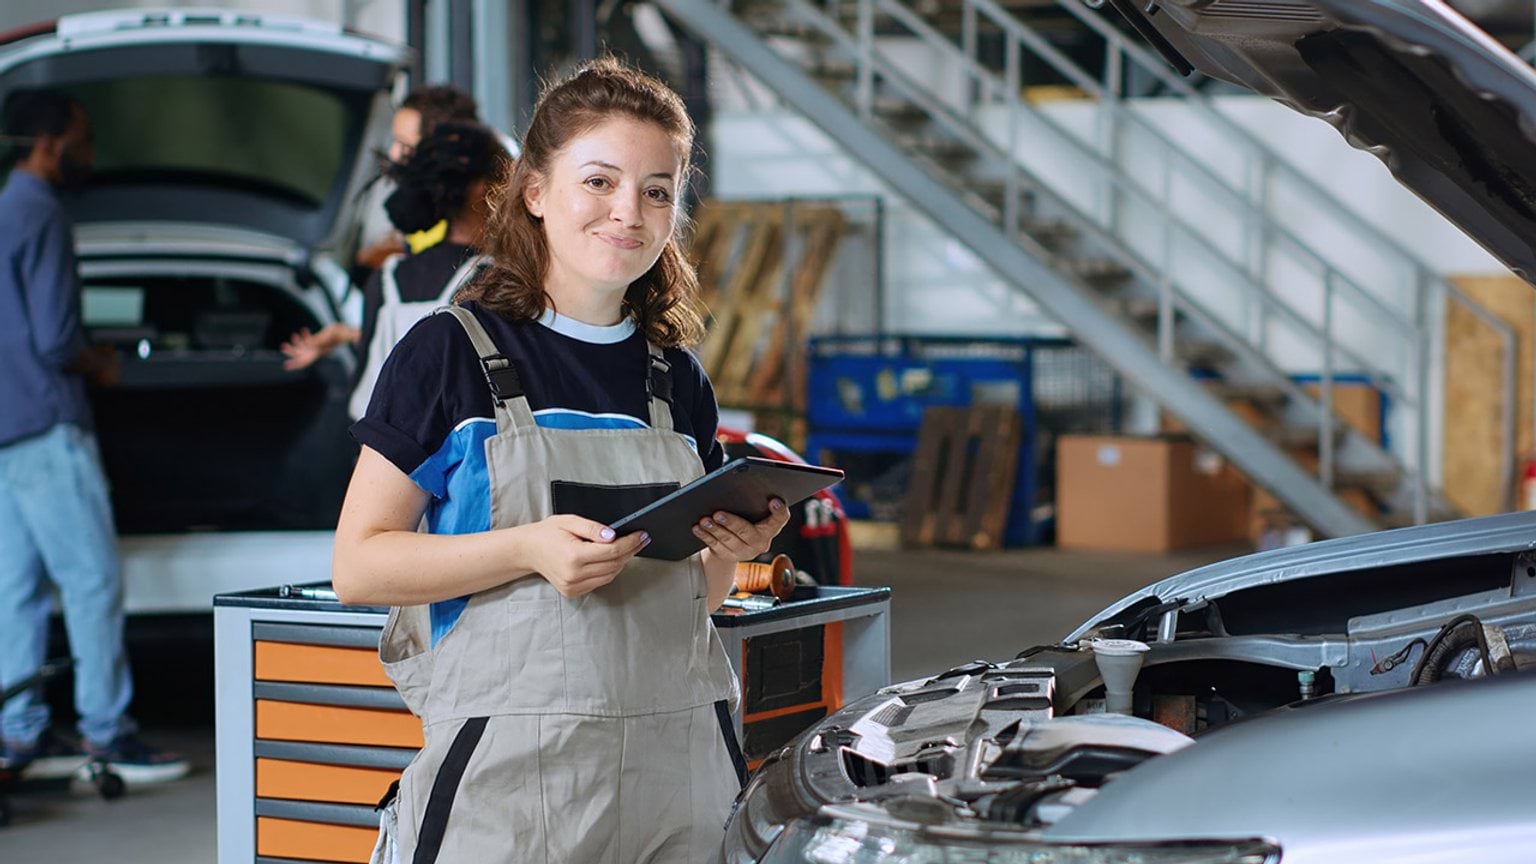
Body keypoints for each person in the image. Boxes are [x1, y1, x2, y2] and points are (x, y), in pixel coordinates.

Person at [331, 58, 790, 863]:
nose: (629, 212)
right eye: (600, 182)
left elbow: (693, 598)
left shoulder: (677, 381)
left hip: (681, 781)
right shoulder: (449, 355)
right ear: (535, 192)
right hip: (512, 793)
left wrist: (730, 548)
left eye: (656, 191)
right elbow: (358, 567)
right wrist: (526, 549)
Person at [0, 90, 189, 784]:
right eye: (83, 138)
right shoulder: (44, 214)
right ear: (50, 143)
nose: (90, 151)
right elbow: (55, 340)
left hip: (5, 428)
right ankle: (109, 736)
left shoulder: (3, 210)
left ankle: (19, 734)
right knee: (91, 581)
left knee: (15, 591)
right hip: (49, 424)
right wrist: (101, 361)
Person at [281, 121, 504, 420]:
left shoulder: (388, 275)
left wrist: (343, 334)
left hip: (378, 438)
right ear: (481, 188)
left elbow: (375, 363)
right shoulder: (491, 279)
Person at [354, 85, 480, 271]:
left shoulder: (467, 229)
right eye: (394, 142)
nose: (394, 154)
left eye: (405, 146)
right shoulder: (421, 213)